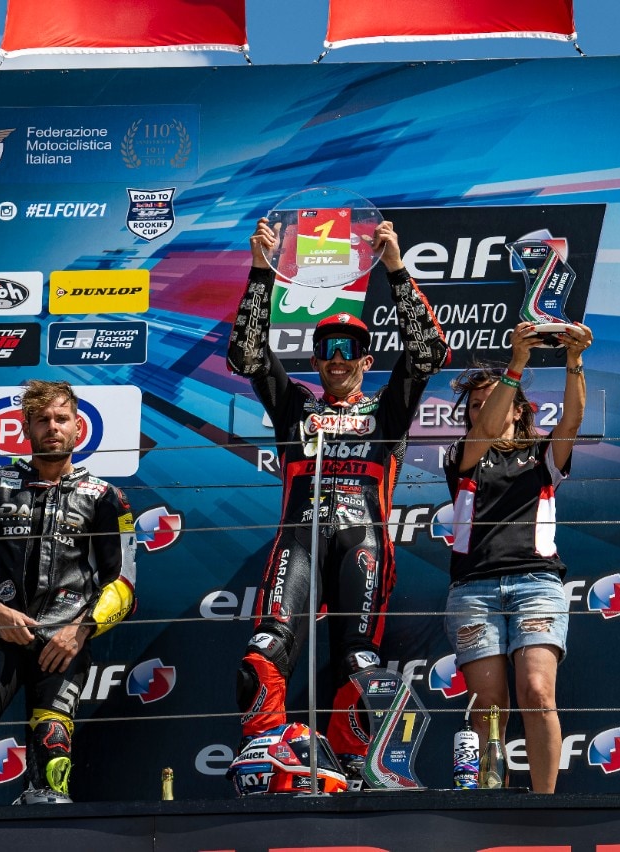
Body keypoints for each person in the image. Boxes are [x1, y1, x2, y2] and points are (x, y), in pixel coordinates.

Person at [226, 217, 449, 778]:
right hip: (298, 542)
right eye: (327, 348)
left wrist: (395, 268)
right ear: (316, 360)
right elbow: (246, 356)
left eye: (350, 348)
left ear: (367, 361)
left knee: (361, 662)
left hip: (363, 544)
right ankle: (266, 752)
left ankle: (354, 762)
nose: (338, 357)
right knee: (264, 650)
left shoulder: (387, 410)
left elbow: (428, 354)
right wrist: (260, 271)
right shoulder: (295, 406)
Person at [0, 379, 136, 804]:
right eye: (42, 420)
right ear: (25, 428)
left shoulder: (106, 497)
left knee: (52, 742)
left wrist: (80, 630)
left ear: (78, 427)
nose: (52, 428)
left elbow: (123, 584)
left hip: (65, 641)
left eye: (62, 419)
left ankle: (48, 821)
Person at [442, 320, 591, 794]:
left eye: (492, 401)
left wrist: (574, 359)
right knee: (488, 706)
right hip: (474, 589)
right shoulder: (462, 454)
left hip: (537, 585)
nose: (483, 410)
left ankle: (545, 806)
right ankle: (491, 801)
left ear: (521, 409)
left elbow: (572, 422)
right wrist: (517, 362)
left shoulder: (544, 455)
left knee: (538, 692)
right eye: (475, 405)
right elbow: (487, 429)